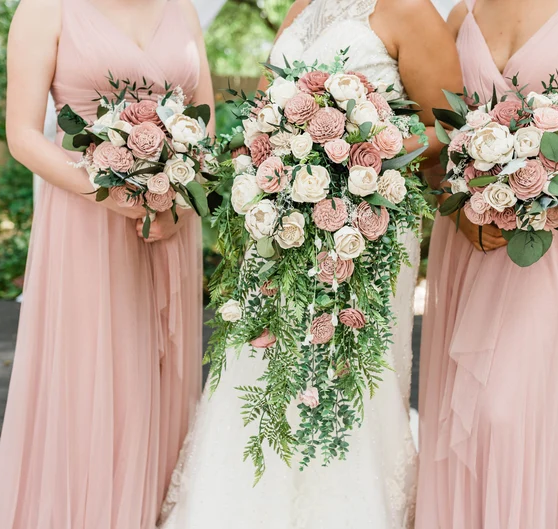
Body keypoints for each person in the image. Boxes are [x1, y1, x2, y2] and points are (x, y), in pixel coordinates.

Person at [158, 1, 462, 528]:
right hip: (279, 224)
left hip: (366, 232)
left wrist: (360, 153)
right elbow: (263, 112)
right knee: (260, 365)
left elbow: (451, 126)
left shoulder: (409, 10)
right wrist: (267, 154)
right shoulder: (302, 7)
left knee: (346, 372)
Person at [0, 0, 213, 527]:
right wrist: (111, 193)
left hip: (170, 220)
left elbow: (205, 124)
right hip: (87, 219)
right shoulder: (45, 10)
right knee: (96, 371)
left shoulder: (183, 9)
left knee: (162, 365)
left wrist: (177, 205)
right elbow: (22, 136)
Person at [416, 0, 558, 527]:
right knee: (460, 415)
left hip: (550, 242)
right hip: (470, 237)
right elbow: (438, 140)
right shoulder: (462, 12)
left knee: (505, 412)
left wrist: (547, 199)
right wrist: (457, 205)